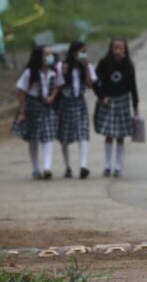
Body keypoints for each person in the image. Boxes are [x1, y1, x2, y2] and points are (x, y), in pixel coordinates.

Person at [12, 45, 64, 180]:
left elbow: (58, 86)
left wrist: (52, 97)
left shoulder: (54, 71)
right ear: (38, 57)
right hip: (33, 106)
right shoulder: (29, 73)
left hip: (47, 107)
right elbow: (20, 91)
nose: (49, 57)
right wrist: (22, 111)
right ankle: (35, 168)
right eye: (46, 55)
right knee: (34, 138)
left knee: (47, 136)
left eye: (50, 54)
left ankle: (47, 167)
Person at [94, 37, 139, 178]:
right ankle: (107, 164)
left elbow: (133, 87)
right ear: (111, 49)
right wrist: (102, 97)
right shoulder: (104, 63)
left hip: (123, 101)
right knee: (109, 134)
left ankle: (118, 165)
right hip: (108, 100)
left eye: (121, 48)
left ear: (125, 49)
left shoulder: (128, 65)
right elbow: (96, 82)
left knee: (120, 135)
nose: (118, 51)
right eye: (116, 48)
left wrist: (135, 105)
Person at [56, 41, 97, 179]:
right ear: (74, 53)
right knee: (64, 136)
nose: (84, 54)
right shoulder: (61, 66)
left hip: (79, 102)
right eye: (82, 51)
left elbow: (90, 85)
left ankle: (83, 165)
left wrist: (85, 67)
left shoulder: (87, 66)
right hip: (65, 103)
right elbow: (57, 85)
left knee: (83, 133)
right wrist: (63, 73)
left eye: (85, 51)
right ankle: (67, 166)